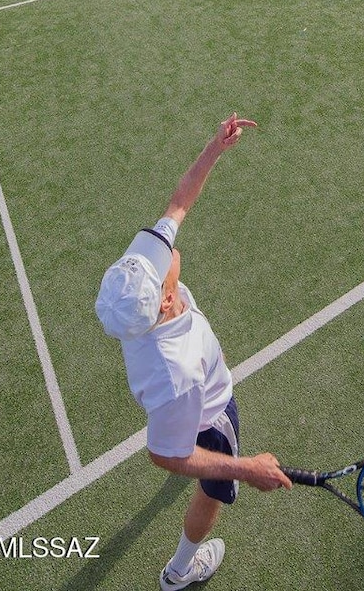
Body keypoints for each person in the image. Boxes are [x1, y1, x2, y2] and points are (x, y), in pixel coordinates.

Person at [96, 113, 292, 590]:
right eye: (164, 269)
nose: (166, 251)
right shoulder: (175, 371)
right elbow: (165, 454)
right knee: (212, 491)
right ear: (165, 301)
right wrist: (242, 468)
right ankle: (181, 568)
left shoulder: (136, 283)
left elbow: (178, 202)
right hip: (209, 415)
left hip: (183, 396)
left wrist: (214, 148)